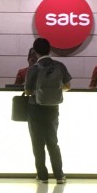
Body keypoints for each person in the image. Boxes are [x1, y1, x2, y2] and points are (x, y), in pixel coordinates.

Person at [24, 37, 72, 184]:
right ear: (49, 50)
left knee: (37, 142)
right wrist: (55, 89)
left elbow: (27, 91)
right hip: (52, 107)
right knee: (52, 141)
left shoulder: (33, 69)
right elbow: (68, 86)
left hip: (35, 108)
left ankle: (42, 176)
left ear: (35, 52)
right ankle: (59, 175)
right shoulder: (59, 66)